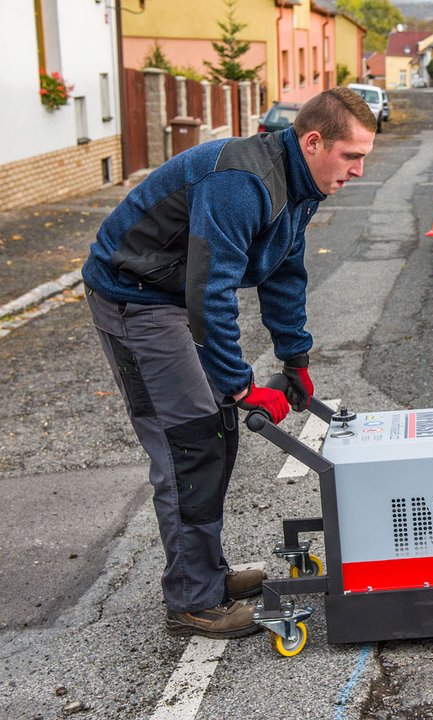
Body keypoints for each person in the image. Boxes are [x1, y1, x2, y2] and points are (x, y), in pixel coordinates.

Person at [82, 88, 377, 638]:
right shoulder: (242, 184)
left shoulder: (302, 181)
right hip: (135, 296)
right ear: (313, 142)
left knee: (214, 429)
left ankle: (208, 575)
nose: (359, 170)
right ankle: (194, 600)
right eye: (352, 156)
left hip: (170, 295)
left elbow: (285, 271)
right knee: (189, 440)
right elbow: (210, 294)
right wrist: (241, 387)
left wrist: (295, 357)